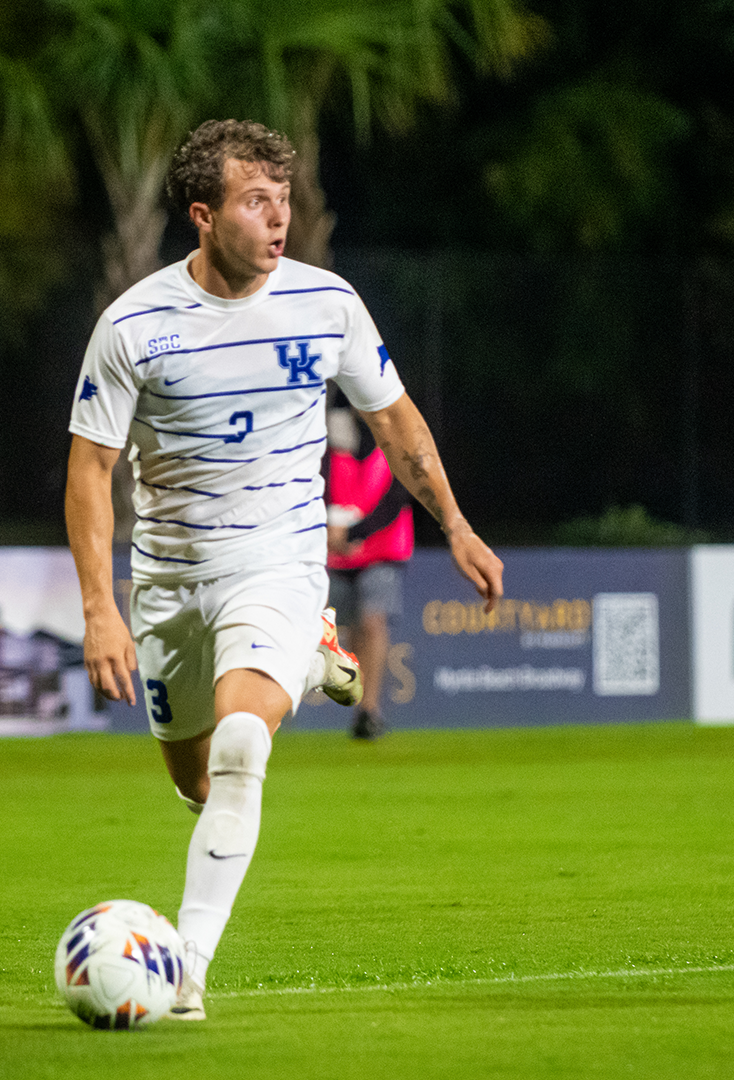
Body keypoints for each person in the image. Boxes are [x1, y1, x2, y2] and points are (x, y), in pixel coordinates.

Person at [64, 118, 503, 1022]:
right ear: (202, 214)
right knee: (195, 782)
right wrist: (99, 608)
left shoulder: (327, 304)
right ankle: (310, 657)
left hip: (279, 559)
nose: (278, 220)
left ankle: (187, 969)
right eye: (255, 201)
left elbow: (396, 424)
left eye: (285, 200)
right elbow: (89, 471)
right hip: (168, 581)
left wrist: (454, 523)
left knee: (239, 749)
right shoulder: (133, 325)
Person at [325, 406, 415, 739]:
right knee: (345, 631)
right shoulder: (329, 436)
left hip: (382, 549)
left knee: (373, 621)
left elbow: (396, 498)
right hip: (336, 553)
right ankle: (357, 701)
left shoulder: (396, 435)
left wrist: (354, 533)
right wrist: (329, 531)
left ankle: (369, 711)